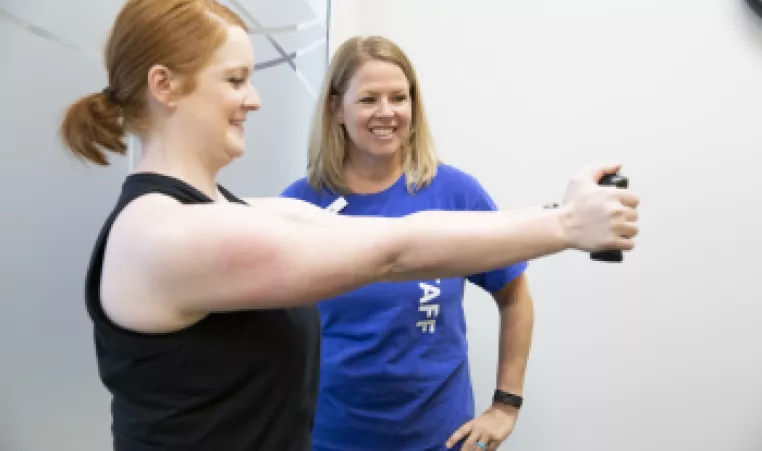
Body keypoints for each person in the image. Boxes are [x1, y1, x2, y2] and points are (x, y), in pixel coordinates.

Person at [58, 1, 640, 450]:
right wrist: (565, 223)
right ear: (166, 86)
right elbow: (395, 251)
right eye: (235, 80)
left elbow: (404, 235)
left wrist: (557, 221)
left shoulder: (224, 213)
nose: (253, 99)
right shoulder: (165, 237)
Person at [280, 35, 538, 451]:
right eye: (368, 100)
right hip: (329, 437)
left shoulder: (455, 195)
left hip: (440, 438)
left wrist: (505, 405)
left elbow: (515, 296)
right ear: (336, 109)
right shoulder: (301, 204)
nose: (387, 112)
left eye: (399, 97)